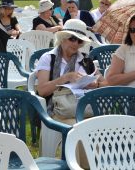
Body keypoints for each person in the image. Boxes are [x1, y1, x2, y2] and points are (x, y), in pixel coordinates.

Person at [35, 19, 104, 169]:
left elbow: (104, 84)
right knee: (79, 128)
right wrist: (65, 78)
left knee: (95, 127)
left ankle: (91, 166)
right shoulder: (49, 58)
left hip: (83, 109)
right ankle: (79, 166)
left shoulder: (85, 60)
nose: (75, 43)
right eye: (72, 38)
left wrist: (94, 84)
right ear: (62, 38)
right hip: (57, 111)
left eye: (79, 41)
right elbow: (42, 90)